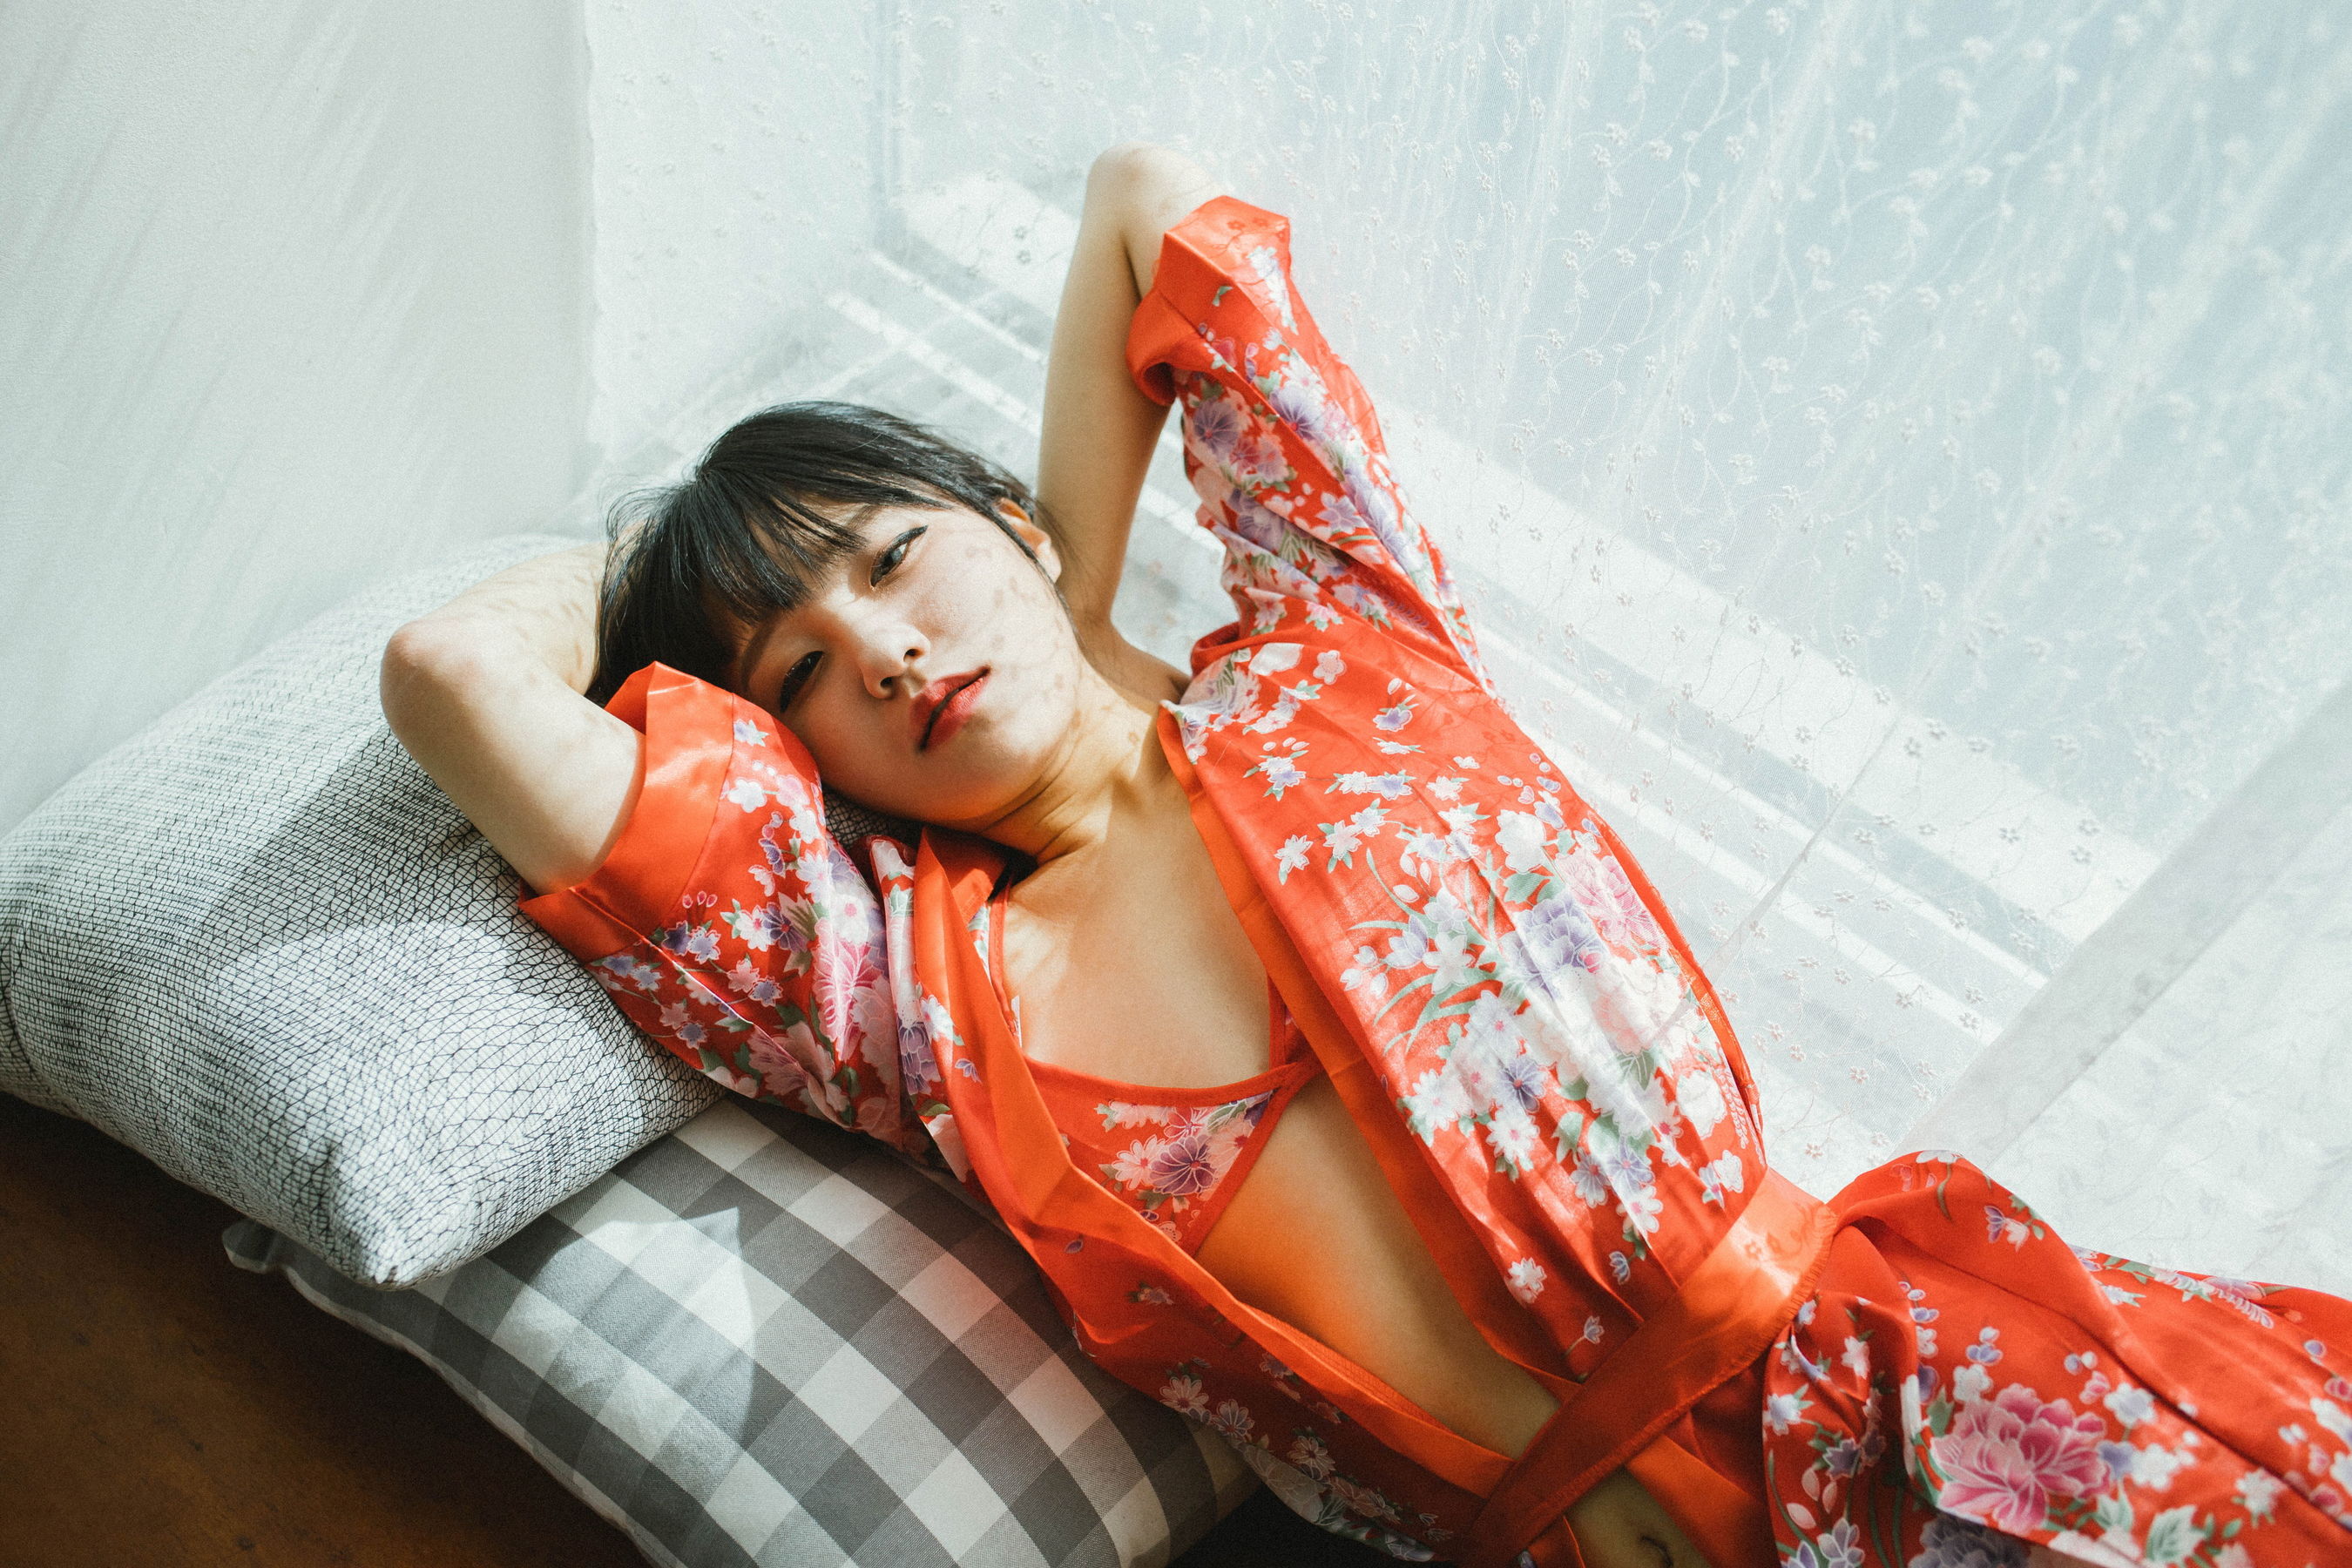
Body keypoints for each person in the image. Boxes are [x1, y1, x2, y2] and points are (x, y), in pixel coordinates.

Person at [382, 145, 2352, 1568]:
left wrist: (1082, 602)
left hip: (1955, 1416)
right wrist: (660, 559)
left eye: (899, 558)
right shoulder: (904, 998)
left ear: (1012, 522)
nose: (885, 649)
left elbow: (1145, 200)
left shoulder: (1344, 642)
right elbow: (453, 679)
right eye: (799, 670)